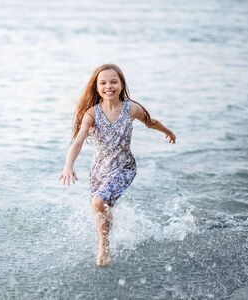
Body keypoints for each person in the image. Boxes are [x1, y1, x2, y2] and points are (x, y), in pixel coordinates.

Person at [59, 64, 176, 267]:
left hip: (125, 168)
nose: (108, 86)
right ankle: (107, 235)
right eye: (103, 83)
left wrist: (167, 132)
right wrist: (68, 165)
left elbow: (150, 122)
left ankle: (104, 247)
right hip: (99, 171)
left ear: (121, 85)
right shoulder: (92, 114)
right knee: (100, 208)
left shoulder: (131, 109)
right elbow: (78, 141)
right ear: (96, 88)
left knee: (98, 202)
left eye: (114, 81)